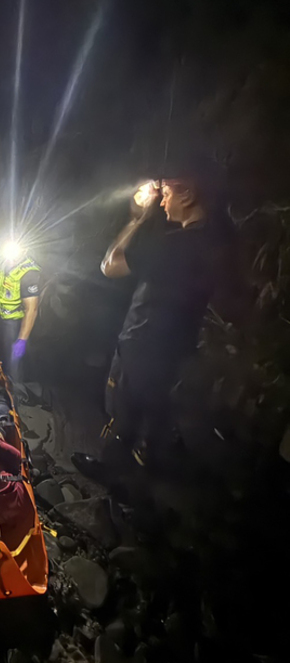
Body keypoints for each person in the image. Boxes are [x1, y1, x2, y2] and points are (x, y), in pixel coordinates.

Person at [72, 177, 217, 476]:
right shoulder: (208, 243)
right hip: (173, 350)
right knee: (147, 423)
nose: (162, 202)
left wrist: (138, 219)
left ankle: (115, 483)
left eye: (166, 195)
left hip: (142, 345)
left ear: (187, 194)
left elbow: (110, 265)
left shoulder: (175, 244)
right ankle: (129, 485)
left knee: (123, 414)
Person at [0, 241, 40, 379]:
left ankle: (13, 395)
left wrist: (22, 340)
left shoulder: (29, 273)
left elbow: (32, 309)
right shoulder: (1, 264)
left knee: (12, 368)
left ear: (25, 249)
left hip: (14, 324)